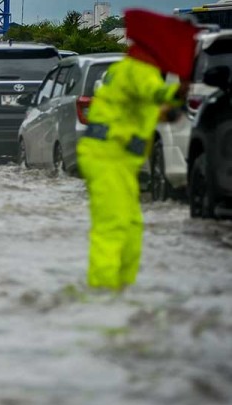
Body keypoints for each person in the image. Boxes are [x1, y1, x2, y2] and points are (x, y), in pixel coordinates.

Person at [77, 10, 198, 291]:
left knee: (131, 226)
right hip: (108, 156)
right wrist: (180, 89)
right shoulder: (139, 71)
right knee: (114, 225)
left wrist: (175, 105)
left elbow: (155, 111)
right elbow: (158, 95)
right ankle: (102, 292)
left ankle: (122, 289)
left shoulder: (128, 69)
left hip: (117, 159)